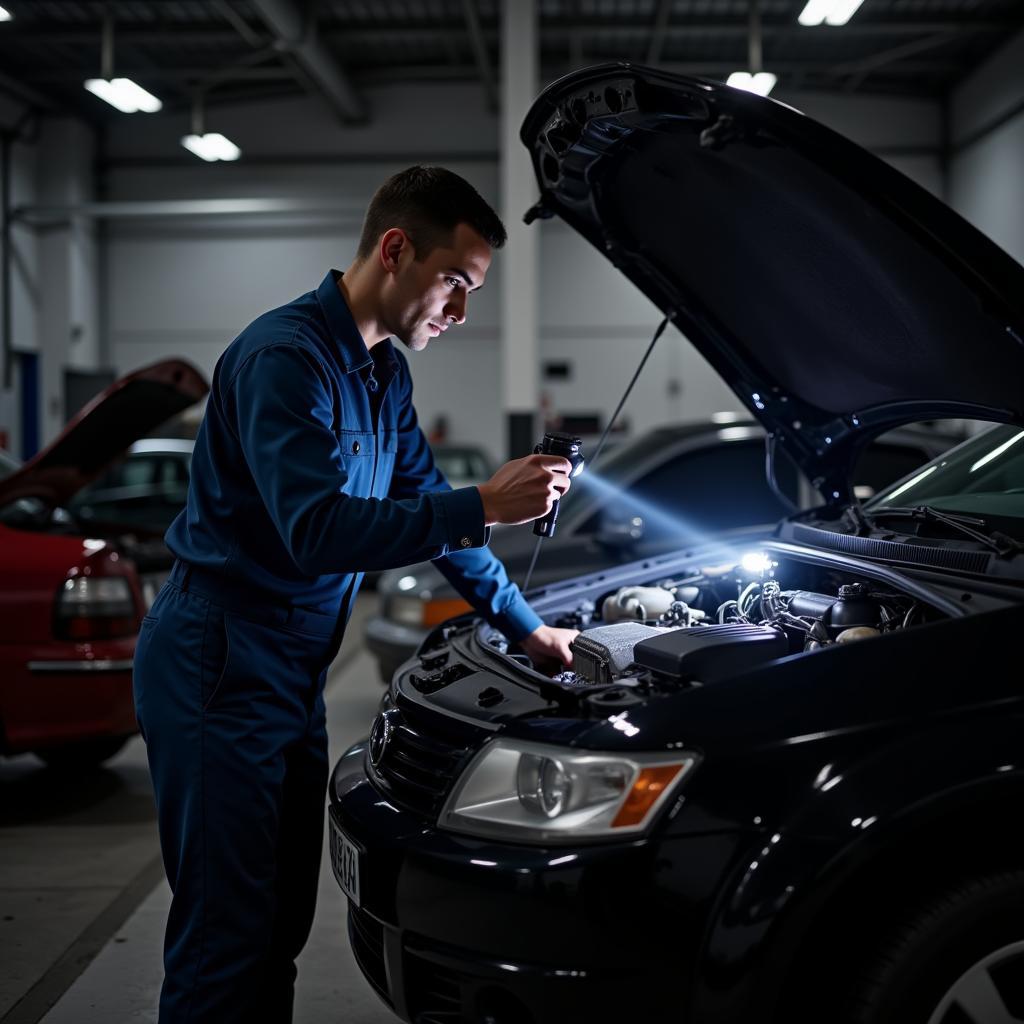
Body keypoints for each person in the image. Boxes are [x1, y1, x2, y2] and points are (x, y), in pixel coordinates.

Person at [133, 165, 579, 1023]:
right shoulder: (282, 360)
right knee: (226, 935)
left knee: (278, 927)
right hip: (217, 663)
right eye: (455, 281)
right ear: (395, 248)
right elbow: (319, 532)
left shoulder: (382, 376)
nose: (459, 310)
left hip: (290, 674)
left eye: (472, 292)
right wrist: (484, 501)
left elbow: (431, 515)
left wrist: (527, 631)